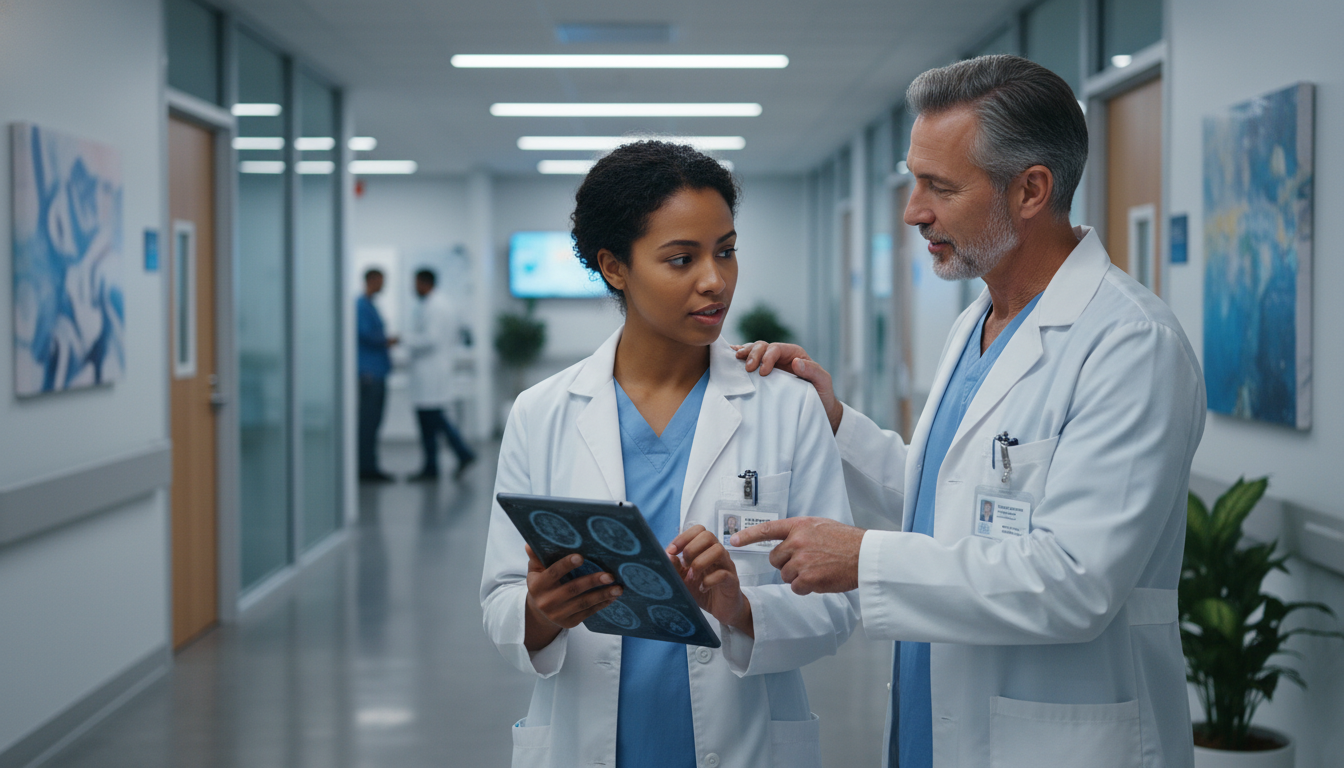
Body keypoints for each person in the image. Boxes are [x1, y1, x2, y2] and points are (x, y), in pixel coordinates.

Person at [733, 55, 1206, 768]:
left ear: (1031, 191)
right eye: (913, 178)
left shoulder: (1131, 344)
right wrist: (837, 423)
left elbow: (1074, 582)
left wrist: (863, 558)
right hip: (936, 727)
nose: (912, 209)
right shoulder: (980, 321)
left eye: (939, 186)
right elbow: (951, 503)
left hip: (1052, 742)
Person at [480, 141, 859, 768]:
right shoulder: (542, 412)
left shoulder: (785, 407)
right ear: (615, 267)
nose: (715, 279)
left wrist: (739, 605)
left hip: (745, 742)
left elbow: (837, 604)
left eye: (727, 251)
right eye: (681, 259)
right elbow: (500, 598)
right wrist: (540, 612)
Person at [406, 268, 477, 480]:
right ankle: (434, 465)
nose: (414, 288)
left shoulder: (436, 306)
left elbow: (431, 339)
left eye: (416, 283)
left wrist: (404, 339)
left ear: (424, 282)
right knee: (431, 420)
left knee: (433, 420)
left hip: (431, 372)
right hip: (432, 372)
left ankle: (461, 454)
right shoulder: (436, 304)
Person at [356, 268, 397, 482]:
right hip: (369, 373)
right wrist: (387, 340)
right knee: (368, 423)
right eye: (381, 281)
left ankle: (369, 465)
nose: (383, 285)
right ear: (371, 280)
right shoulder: (361, 305)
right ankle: (366, 469)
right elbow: (365, 334)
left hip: (377, 371)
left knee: (373, 422)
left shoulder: (370, 305)